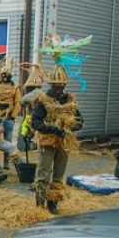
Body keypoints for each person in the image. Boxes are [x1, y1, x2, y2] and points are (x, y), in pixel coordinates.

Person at [31, 64, 83, 214]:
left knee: (58, 176)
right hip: (47, 142)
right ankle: (40, 205)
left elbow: (79, 121)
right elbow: (35, 122)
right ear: (51, 85)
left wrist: (69, 127)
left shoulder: (70, 100)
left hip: (64, 143)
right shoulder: (43, 100)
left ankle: (53, 203)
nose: (59, 87)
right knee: (43, 174)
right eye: (56, 85)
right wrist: (52, 128)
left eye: (62, 85)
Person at [0, 58, 22, 169]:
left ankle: (6, 163)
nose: (5, 76)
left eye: (7, 74)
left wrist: (13, 116)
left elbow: (17, 102)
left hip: (8, 117)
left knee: (8, 141)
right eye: (3, 74)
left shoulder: (14, 87)